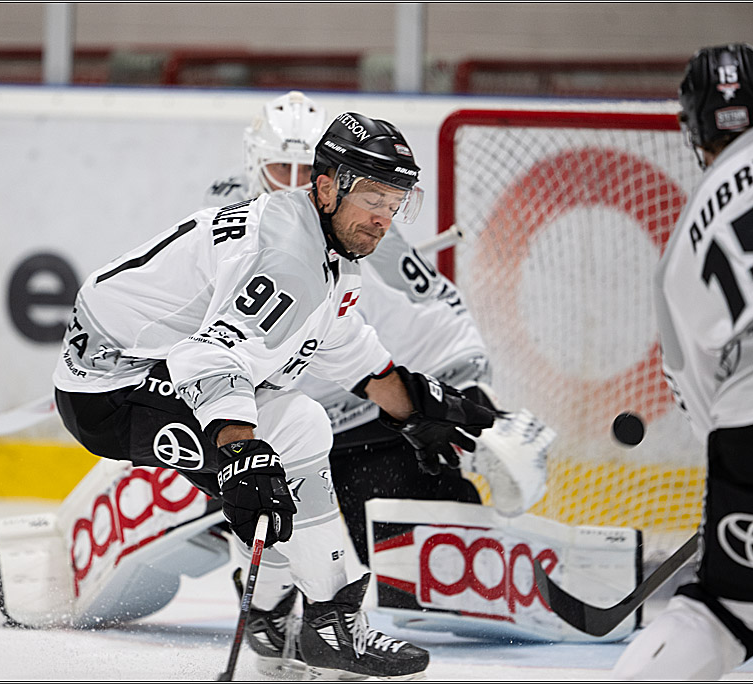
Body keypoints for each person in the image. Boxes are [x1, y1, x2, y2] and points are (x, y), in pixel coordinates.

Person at [52, 109, 500, 680]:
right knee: (289, 433)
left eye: (395, 202)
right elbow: (211, 360)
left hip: (134, 365)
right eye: (371, 197)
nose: (383, 218)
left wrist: (417, 410)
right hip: (112, 385)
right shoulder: (292, 256)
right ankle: (318, 623)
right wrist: (241, 453)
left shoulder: (322, 242)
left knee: (293, 431)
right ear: (326, 186)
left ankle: (287, 616)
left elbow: (345, 347)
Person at [203, 90, 555, 673]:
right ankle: (268, 607)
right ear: (252, 166)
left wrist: (477, 407)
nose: (292, 182)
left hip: (358, 420)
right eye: (277, 169)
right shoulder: (224, 232)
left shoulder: (369, 232)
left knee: (432, 513)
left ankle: (308, 603)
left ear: (329, 177)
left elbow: (437, 314)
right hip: (253, 421)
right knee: (256, 501)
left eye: (304, 170)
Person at [611, 43, 753, 680]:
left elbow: (708, 412)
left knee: (726, 613)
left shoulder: (677, 259)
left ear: (692, 132)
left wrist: (751, 490)